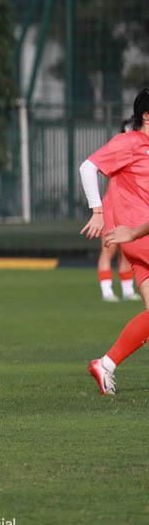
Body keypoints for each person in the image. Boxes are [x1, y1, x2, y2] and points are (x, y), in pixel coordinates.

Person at [81, 89, 149, 395]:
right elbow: (87, 167)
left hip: (137, 238)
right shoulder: (131, 142)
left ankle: (106, 364)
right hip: (137, 236)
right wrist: (97, 210)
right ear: (146, 117)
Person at [95, 119, 139, 302]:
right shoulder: (121, 154)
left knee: (128, 251)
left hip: (131, 209)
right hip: (112, 207)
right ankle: (107, 291)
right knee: (108, 249)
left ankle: (128, 290)